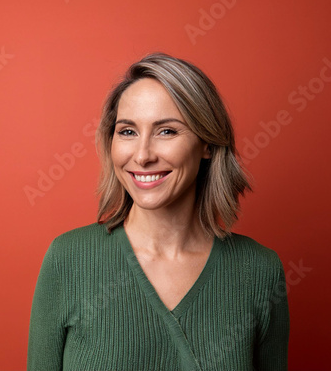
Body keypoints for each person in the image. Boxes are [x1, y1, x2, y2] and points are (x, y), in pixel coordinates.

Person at [27, 53, 290, 370]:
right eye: (127, 131)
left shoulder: (259, 271)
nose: (142, 155)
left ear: (207, 143)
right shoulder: (68, 259)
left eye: (166, 131)